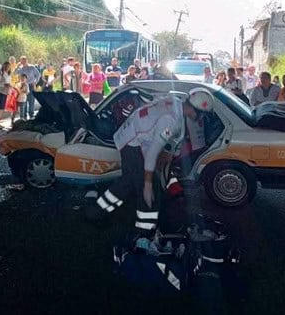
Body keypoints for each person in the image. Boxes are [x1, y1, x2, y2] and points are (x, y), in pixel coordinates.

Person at [87, 88, 215, 235]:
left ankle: (95, 213)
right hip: (134, 144)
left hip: (129, 136)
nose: (201, 119)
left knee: (126, 184)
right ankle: (144, 233)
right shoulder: (170, 120)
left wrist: (169, 152)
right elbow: (152, 152)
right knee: (149, 192)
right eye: (202, 115)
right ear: (196, 110)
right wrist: (147, 184)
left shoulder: (175, 102)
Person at [0, 61, 12, 129]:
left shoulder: (7, 74)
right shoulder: (1, 73)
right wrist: (4, 85)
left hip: (4, 92)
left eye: (9, 66)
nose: (8, 67)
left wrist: (9, 86)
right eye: (7, 66)